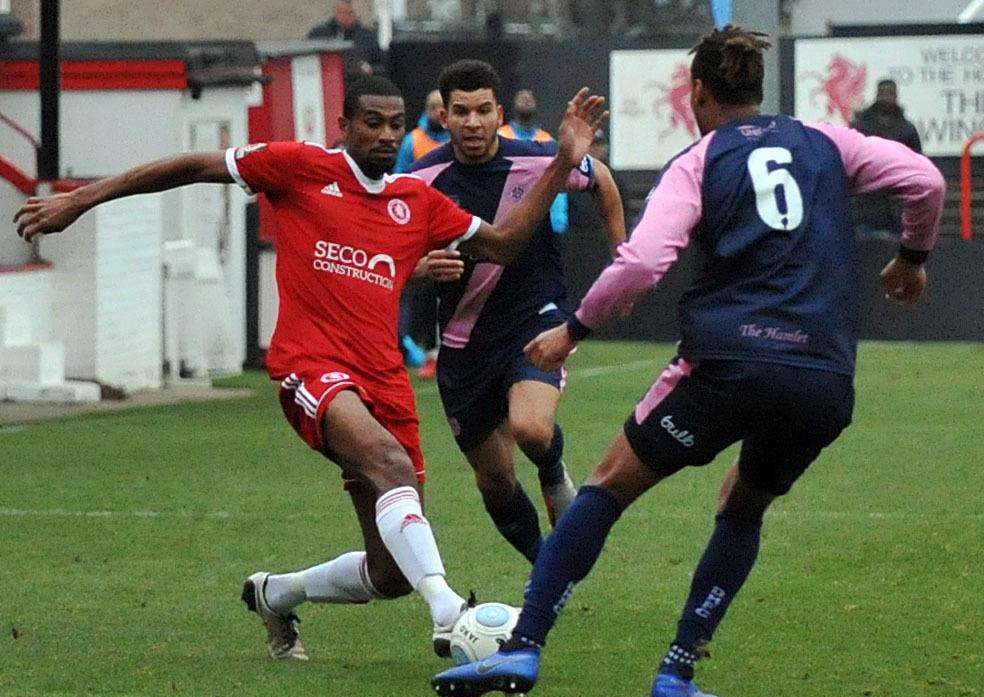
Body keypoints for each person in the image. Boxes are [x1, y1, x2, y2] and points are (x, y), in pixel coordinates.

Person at [13, 75, 608, 664]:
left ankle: (275, 593)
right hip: (311, 368)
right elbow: (192, 166)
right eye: (371, 123)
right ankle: (450, 612)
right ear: (343, 126)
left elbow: (503, 243)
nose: (383, 135)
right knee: (390, 464)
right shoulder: (298, 168)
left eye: (395, 125)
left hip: (385, 385)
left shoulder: (416, 202)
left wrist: (560, 164)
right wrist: (81, 199)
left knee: (389, 571)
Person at [432, 25, 944, 697]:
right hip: (823, 376)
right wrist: (912, 258)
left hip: (727, 363)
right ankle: (677, 668)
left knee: (608, 485)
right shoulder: (828, 141)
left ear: (695, 93)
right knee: (743, 503)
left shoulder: (700, 160)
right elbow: (925, 179)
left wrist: (574, 328)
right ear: (757, 90)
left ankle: (524, 648)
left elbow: (643, 262)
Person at [410, 60, 626, 566]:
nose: (473, 122)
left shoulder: (538, 158)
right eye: (460, 111)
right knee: (496, 480)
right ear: (444, 117)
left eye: (484, 110)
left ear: (499, 114)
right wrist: (421, 268)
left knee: (531, 428)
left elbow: (604, 182)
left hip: (535, 317)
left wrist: (623, 257)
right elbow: (391, 249)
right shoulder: (421, 178)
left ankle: (553, 473)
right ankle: (544, 568)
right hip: (464, 344)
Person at [396, 89, 452, 379]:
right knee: (427, 293)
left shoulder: (458, 142)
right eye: (431, 106)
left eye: (440, 107)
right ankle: (430, 354)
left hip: (455, 225)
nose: (435, 112)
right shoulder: (412, 142)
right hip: (423, 228)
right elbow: (398, 181)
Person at [851, 79, 924, 242]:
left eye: (890, 93)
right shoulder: (860, 126)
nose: (886, 97)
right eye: (882, 93)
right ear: (876, 95)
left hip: (896, 207)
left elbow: (918, 165)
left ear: (896, 96)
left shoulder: (907, 130)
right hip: (865, 205)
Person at [499, 89, 571, 235]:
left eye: (529, 98)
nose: (526, 99)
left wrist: (558, 221)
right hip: (503, 220)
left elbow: (556, 183)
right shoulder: (499, 137)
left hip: (539, 223)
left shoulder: (547, 141)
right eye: (522, 97)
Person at [308, 1, 383, 76]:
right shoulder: (319, 34)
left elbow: (382, 65)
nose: (346, 17)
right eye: (343, 12)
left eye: (350, 13)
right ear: (335, 12)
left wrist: (370, 69)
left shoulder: (368, 36)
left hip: (359, 81)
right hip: (328, 79)